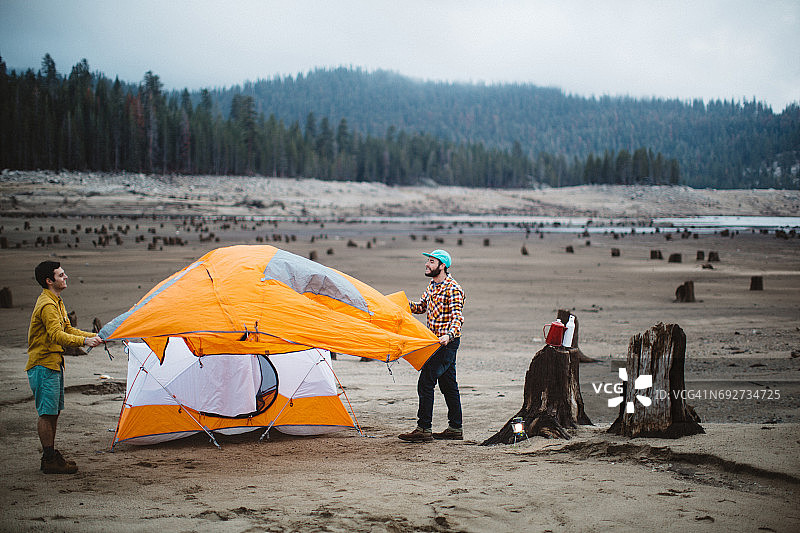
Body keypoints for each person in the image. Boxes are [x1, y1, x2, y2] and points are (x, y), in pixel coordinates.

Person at [26, 261, 103, 474]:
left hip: (54, 363)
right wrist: (85, 343)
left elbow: (68, 328)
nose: (66, 277)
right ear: (49, 281)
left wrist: (94, 337)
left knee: (54, 412)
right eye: (61, 275)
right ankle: (49, 457)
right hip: (43, 365)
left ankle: (50, 455)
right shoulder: (47, 305)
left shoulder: (56, 300)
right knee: (46, 413)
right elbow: (56, 335)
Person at [399, 249, 465, 443]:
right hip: (433, 342)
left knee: (426, 382)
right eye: (428, 261)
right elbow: (421, 307)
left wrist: (448, 335)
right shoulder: (432, 286)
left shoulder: (453, 288)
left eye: (431, 262)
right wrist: (401, 304)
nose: (427, 265)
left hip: (446, 343)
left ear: (442, 266)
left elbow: (457, 318)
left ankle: (423, 429)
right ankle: (455, 428)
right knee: (448, 385)